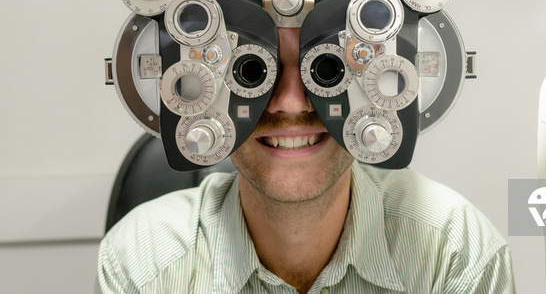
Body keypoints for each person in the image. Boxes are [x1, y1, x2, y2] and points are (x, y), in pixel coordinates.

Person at [97, 28, 515, 293]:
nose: (290, 102)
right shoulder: (143, 260)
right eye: (252, 72)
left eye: (327, 70)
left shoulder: (452, 250)